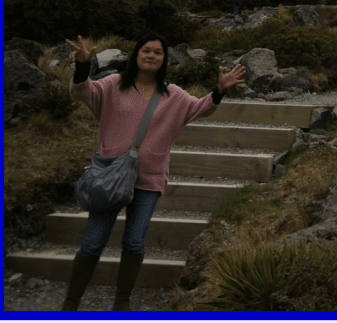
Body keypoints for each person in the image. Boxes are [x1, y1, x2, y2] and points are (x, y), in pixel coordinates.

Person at [62, 32, 246, 311]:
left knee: (134, 242)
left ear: (164, 60)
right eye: (146, 50)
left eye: (157, 52)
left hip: (149, 180)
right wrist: (83, 67)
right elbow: (81, 91)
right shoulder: (112, 85)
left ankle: (122, 303)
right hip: (109, 176)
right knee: (92, 243)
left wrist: (219, 90)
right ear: (136, 55)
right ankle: (71, 303)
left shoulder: (174, 96)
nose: (151, 56)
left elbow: (200, 108)